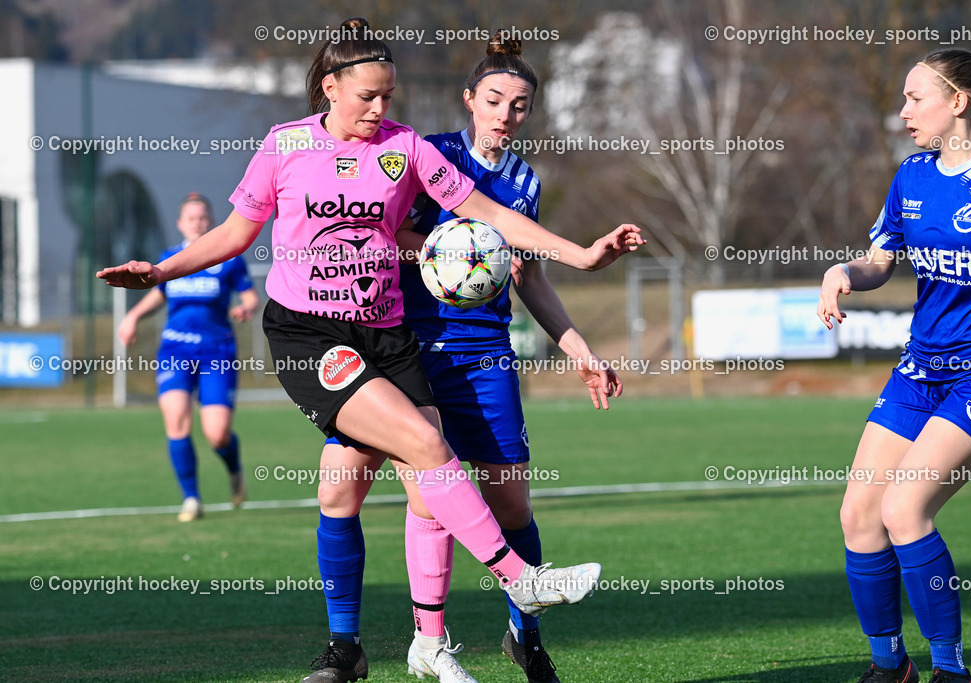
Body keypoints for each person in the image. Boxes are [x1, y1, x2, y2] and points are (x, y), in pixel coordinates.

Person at [97, 17, 644, 683]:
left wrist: (584, 255)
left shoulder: (405, 147)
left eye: (389, 96)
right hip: (309, 334)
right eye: (367, 97)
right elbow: (236, 233)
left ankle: (384, 648)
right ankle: (518, 580)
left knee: (350, 490)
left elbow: (489, 215)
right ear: (330, 87)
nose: (380, 109)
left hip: (387, 337)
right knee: (425, 444)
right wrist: (160, 271)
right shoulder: (285, 144)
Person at [322, 31, 624, 683]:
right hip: (411, 346)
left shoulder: (523, 182)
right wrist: (449, 250)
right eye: (494, 99)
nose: (505, 114)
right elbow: (390, 231)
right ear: (470, 99)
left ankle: (527, 631)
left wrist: (579, 350)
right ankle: (425, 640)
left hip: (486, 353)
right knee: (424, 496)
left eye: (518, 105)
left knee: (510, 503)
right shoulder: (429, 155)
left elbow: (530, 278)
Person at [818, 48, 971, 683]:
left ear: (958, 103)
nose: (902, 110)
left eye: (915, 98)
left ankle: (951, 671)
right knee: (858, 515)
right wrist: (844, 272)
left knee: (905, 510)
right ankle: (889, 668)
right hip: (920, 368)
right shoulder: (911, 176)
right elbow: (881, 261)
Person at [117, 192, 258, 522]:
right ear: (181, 223)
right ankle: (191, 499)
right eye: (191, 218)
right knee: (177, 421)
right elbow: (157, 295)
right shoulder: (169, 258)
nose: (198, 223)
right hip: (175, 351)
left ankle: (235, 469)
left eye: (203, 217)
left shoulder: (231, 259)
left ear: (211, 221)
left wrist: (246, 307)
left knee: (217, 433)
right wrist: (132, 317)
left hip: (216, 352)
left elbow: (250, 296)